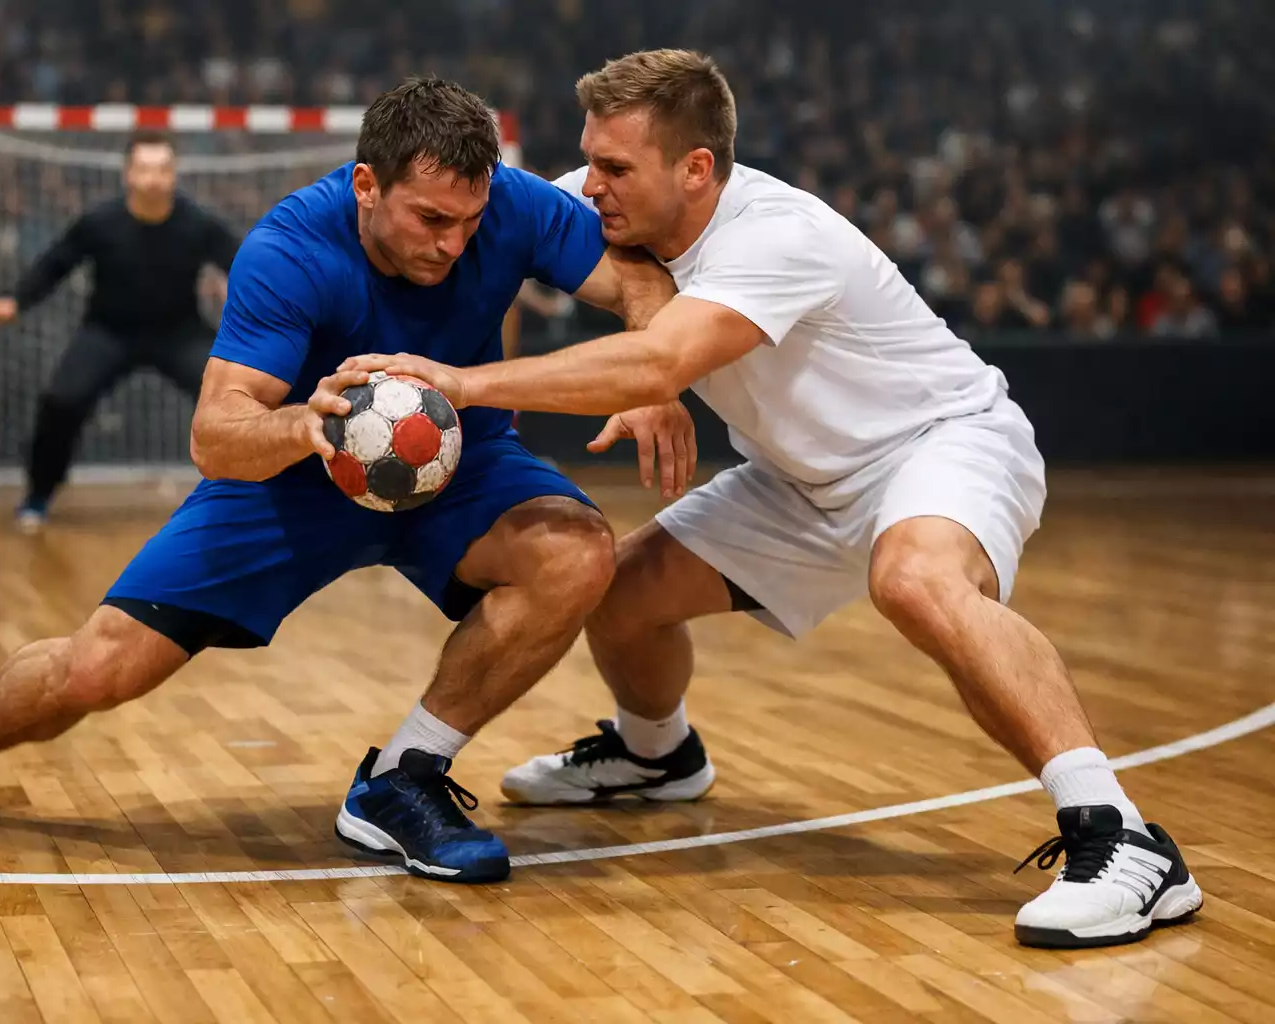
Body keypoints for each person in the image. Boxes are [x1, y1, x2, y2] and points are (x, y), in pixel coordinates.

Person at [342, 50, 1203, 948]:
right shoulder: (602, 199)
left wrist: (465, 383)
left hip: (942, 442)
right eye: (590, 159)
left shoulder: (777, 236)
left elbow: (667, 355)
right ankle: (656, 754)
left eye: (616, 168)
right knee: (621, 592)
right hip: (801, 480)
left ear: (697, 169)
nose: (590, 185)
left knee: (913, 578)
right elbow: (522, 249)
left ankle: (1124, 840)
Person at [0, 77, 689, 885]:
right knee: (99, 669)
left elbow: (639, 280)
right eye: (430, 220)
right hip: (292, 473)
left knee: (577, 553)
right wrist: (299, 424)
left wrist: (655, 381)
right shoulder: (286, 250)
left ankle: (401, 779)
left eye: (468, 221)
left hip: (459, 464)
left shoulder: (513, 206)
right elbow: (215, 435)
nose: (454, 244)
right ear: (366, 186)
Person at [0, 129, 244, 531]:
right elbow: (57, 262)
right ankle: (38, 494)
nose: (153, 178)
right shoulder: (99, 222)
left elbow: (246, 264)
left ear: (174, 174)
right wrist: (17, 301)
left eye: (162, 169)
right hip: (108, 332)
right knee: (61, 400)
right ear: (128, 175)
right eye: (144, 169)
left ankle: (247, 498)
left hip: (179, 332)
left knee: (235, 396)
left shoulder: (199, 223)